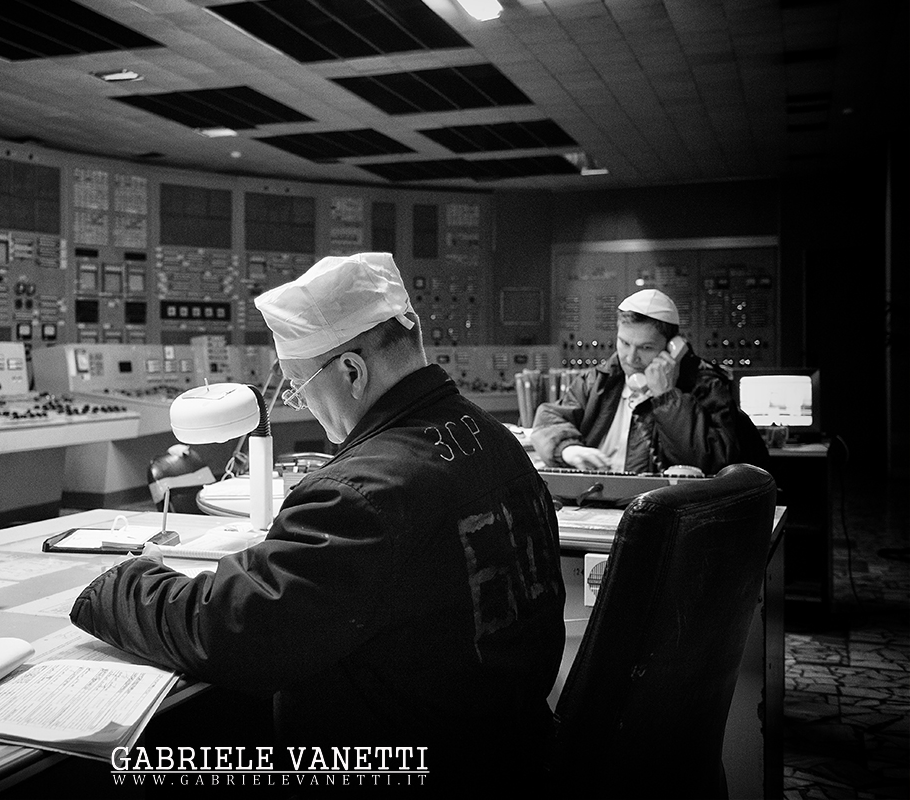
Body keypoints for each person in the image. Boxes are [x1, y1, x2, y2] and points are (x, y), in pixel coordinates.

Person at [71, 252, 566, 787]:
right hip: (507, 745)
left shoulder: (360, 492)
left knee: (140, 770)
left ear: (352, 372)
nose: (299, 403)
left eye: (300, 385)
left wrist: (121, 582)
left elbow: (235, 632)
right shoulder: (495, 440)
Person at [530, 288, 768, 474]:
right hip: (596, 502)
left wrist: (666, 397)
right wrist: (567, 449)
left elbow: (711, 462)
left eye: (645, 347)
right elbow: (548, 419)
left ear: (672, 347)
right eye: (624, 343)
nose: (631, 357)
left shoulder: (707, 386)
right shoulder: (598, 380)